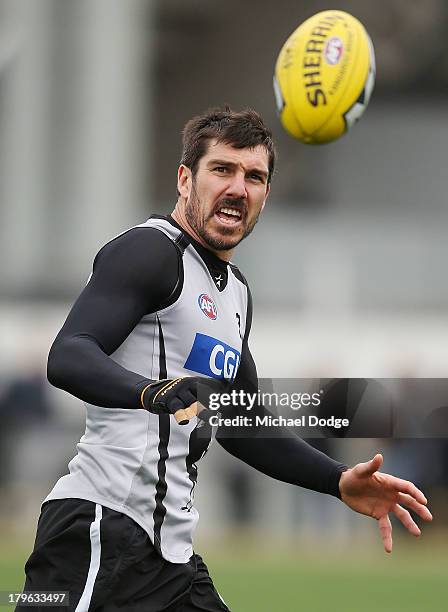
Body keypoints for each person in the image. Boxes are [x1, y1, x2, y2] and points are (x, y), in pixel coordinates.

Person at [19, 108, 432, 612]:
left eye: (254, 176)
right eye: (222, 170)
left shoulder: (235, 295)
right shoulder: (150, 251)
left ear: (265, 195)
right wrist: (150, 392)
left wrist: (336, 480)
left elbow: (242, 422)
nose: (238, 187)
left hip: (170, 557)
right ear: (185, 179)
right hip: (99, 533)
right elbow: (68, 354)